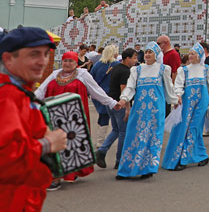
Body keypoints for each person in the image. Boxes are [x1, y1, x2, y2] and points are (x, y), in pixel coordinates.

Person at [0, 27, 67, 210]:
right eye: (34, 54)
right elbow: (4, 160)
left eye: (46, 54)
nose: (43, 61)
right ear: (8, 59)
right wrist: (47, 144)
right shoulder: (7, 96)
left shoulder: (21, 93)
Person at [36, 51, 121, 188]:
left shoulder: (83, 75)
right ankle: (55, 175)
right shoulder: (54, 74)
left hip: (75, 120)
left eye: (70, 61)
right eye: (65, 61)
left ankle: (67, 173)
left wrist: (111, 102)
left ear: (76, 63)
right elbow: (40, 91)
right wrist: (26, 103)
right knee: (54, 145)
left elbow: (96, 91)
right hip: (55, 118)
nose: (67, 63)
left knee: (71, 145)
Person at [117, 42, 178, 179]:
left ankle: (148, 168)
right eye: (146, 52)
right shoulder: (136, 70)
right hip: (139, 110)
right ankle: (127, 169)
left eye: (151, 52)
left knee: (153, 138)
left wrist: (175, 101)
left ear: (156, 55)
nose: (148, 54)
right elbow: (130, 87)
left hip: (156, 110)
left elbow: (169, 88)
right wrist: (124, 99)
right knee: (133, 136)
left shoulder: (163, 69)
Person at [162, 43, 209, 171]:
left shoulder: (206, 69)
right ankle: (201, 155)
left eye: (193, 53)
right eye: (189, 53)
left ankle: (184, 158)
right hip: (187, 102)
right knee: (184, 128)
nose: (190, 55)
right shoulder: (184, 70)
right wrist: (178, 95)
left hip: (201, 102)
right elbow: (178, 85)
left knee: (194, 128)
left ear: (200, 55)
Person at [95, 48, 137, 170]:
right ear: (127, 58)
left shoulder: (116, 68)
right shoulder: (125, 71)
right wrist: (127, 108)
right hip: (120, 104)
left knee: (116, 130)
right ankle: (120, 160)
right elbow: (124, 90)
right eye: (134, 58)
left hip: (111, 103)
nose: (136, 60)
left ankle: (102, 150)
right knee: (123, 132)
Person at [89, 45, 120, 146]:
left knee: (102, 116)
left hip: (97, 95)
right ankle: (101, 142)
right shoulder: (116, 64)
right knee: (111, 119)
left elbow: (91, 78)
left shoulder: (97, 64)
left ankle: (100, 140)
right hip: (110, 95)